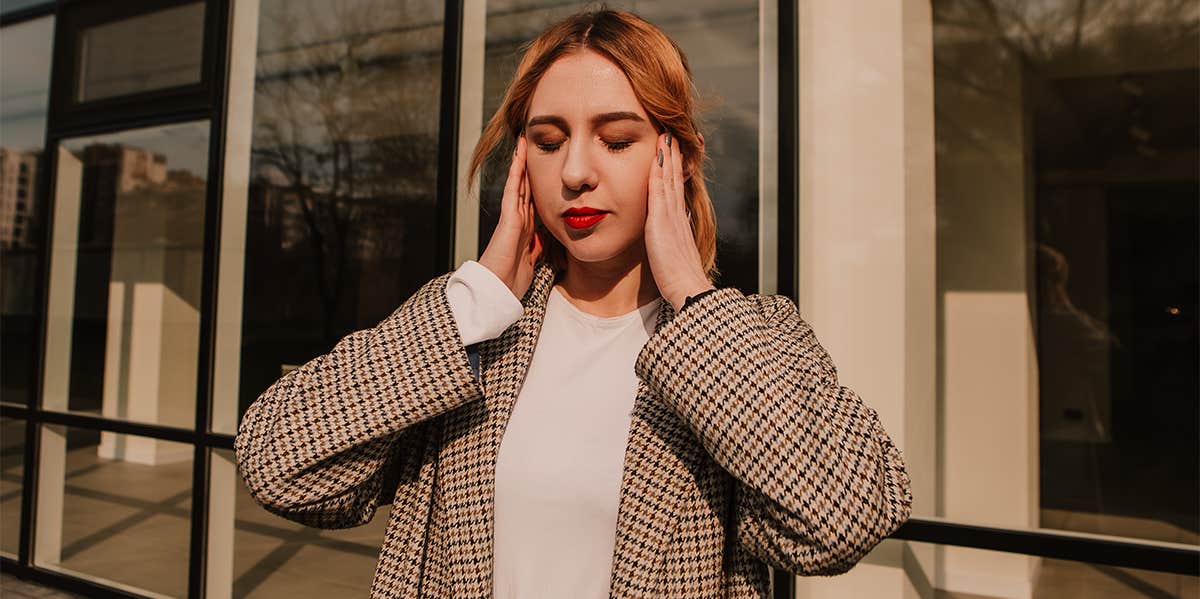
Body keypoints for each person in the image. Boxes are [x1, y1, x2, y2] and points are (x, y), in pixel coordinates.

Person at [234, 8, 912, 598]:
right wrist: (475, 298)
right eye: (549, 141)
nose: (576, 171)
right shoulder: (476, 337)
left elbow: (844, 518)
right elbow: (276, 461)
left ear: (676, 159)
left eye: (617, 140)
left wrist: (691, 298)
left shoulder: (750, 339)